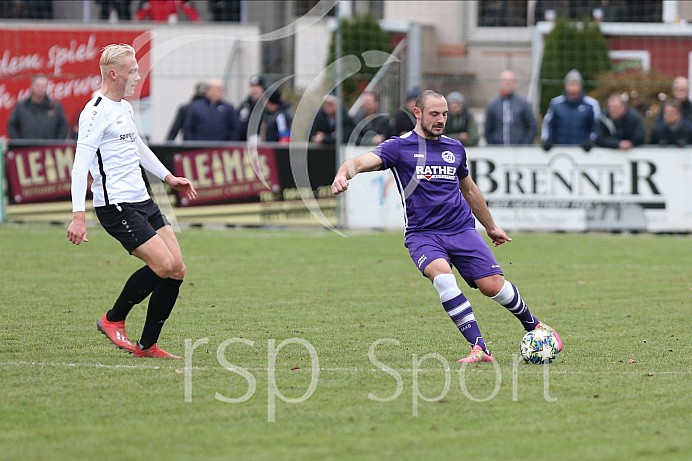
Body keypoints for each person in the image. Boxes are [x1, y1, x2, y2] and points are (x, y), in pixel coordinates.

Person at [331, 90, 562, 363]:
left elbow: (470, 190)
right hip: (423, 235)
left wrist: (490, 226)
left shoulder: (454, 148)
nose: (441, 119)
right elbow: (357, 162)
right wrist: (342, 175)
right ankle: (479, 347)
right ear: (417, 113)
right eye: (434, 114)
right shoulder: (399, 147)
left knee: (492, 286)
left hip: (461, 229)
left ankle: (534, 325)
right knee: (443, 278)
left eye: (444, 114)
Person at [67, 44, 198, 359]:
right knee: (162, 264)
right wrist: (78, 216)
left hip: (142, 200)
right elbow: (79, 165)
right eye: (133, 70)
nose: (138, 76)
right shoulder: (94, 112)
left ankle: (146, 345)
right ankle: (112, 319)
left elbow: (137, 146)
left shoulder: (123, 107)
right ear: (114, 73)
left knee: (177, 269)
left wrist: (168, 177)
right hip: (116, 206)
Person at [541, 69, 601, 151]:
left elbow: (597, 126)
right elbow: (548, 123)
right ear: (565, 86)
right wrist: (548, 139)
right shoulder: (556, 103)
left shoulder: (591, 104)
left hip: (583, 150)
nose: (572, 86)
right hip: (559, 149)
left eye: (575, 83)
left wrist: (591, 141)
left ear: (580, 86)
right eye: (570, 83)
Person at [7, 74, 68, 140]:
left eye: (43, 86)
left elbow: (63, 127)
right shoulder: (21, 106)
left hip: (49, 148)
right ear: (32, 86)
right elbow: (11, 126)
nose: (40, 89)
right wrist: (19, 143)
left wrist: (56, 144)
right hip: (27, 148)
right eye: (38, 86)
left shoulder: (55, 107)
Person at [484, 70, 537, 145]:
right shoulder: (492, 105)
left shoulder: (523, 103)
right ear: (500, 83)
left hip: (519, 149)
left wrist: (525, 144)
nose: (507, 84)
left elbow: (532, 126)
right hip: (498, 149)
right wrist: (493, 144)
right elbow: (488, 129)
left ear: (514, 84)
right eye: (505, 81)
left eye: (510, 81)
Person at [237, 75, 266, 141]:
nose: (254, 90)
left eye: (257, 87)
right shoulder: (245, 105)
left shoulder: (266, 106)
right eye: (252, 87)